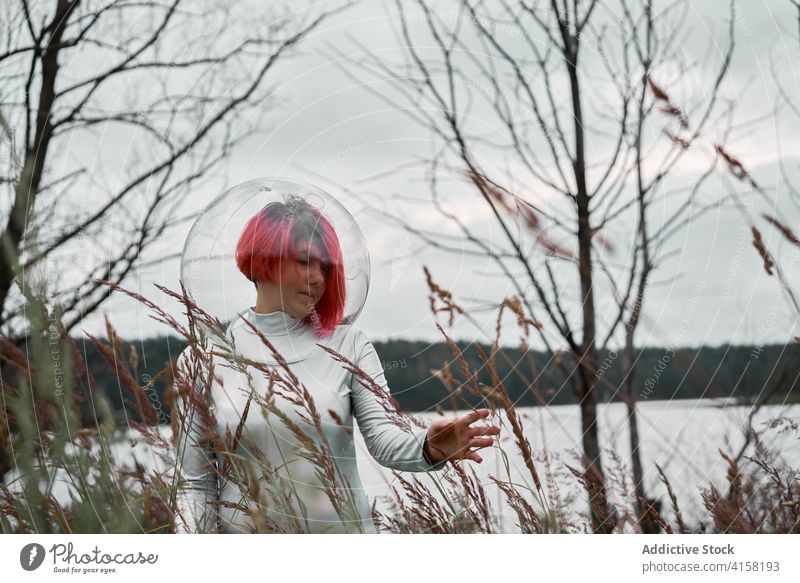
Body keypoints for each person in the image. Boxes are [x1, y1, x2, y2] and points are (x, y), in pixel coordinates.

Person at [172, 196, 500, 533]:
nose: (317, 278)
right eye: (304, 262)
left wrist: (427, 447)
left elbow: (384, 439)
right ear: (262, 262)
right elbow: (194, 485)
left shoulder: (349, 345)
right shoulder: (201, 361)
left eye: (325, 267)